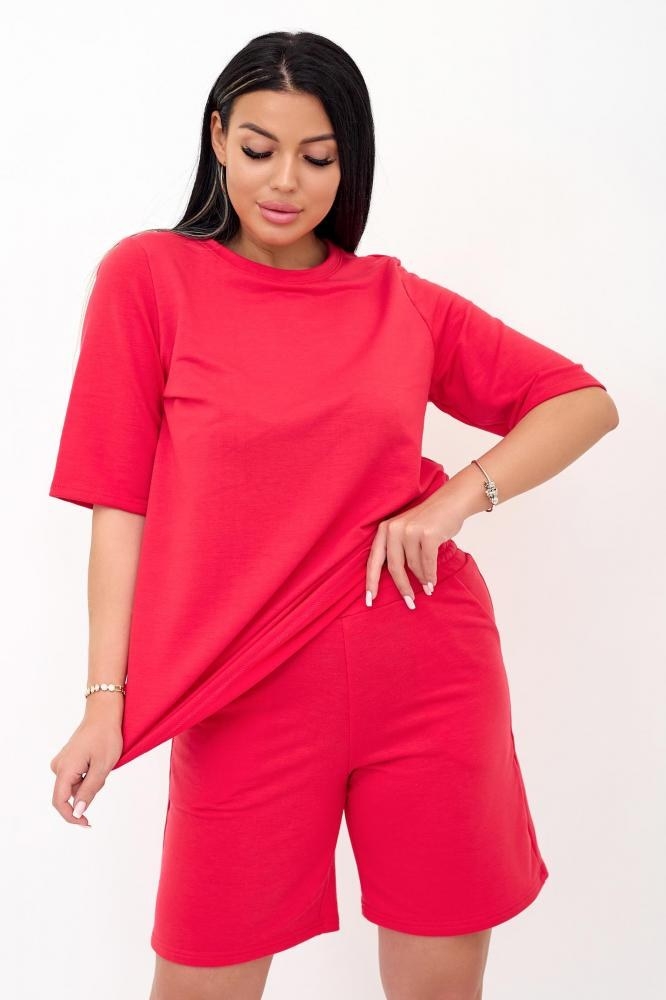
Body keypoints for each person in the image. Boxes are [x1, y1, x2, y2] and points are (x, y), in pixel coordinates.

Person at [47, 29, 619, 1000]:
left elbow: (581, 400)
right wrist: (105, 698)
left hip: (428, 674)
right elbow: (118, 502)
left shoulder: (398, 300)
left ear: (349, 160)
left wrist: (453, 500)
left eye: (318, 157)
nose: (286, 181)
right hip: (243, 693)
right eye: (259, 148)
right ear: (217, 138)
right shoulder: (149, 279)